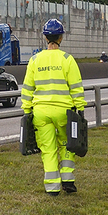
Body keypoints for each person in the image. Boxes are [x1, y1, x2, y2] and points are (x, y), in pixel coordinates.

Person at [21, 19, 86, 195]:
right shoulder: (67, 59)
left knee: (48, 149)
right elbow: (76, 87)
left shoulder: (34, 60)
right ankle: (68, 180)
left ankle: (52, 187)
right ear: (61, 38)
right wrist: (80, 108)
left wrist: (27, 111)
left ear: (45, 37)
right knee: (67, 144)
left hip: (41, 112)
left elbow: (27, 89)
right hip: (64, 112)